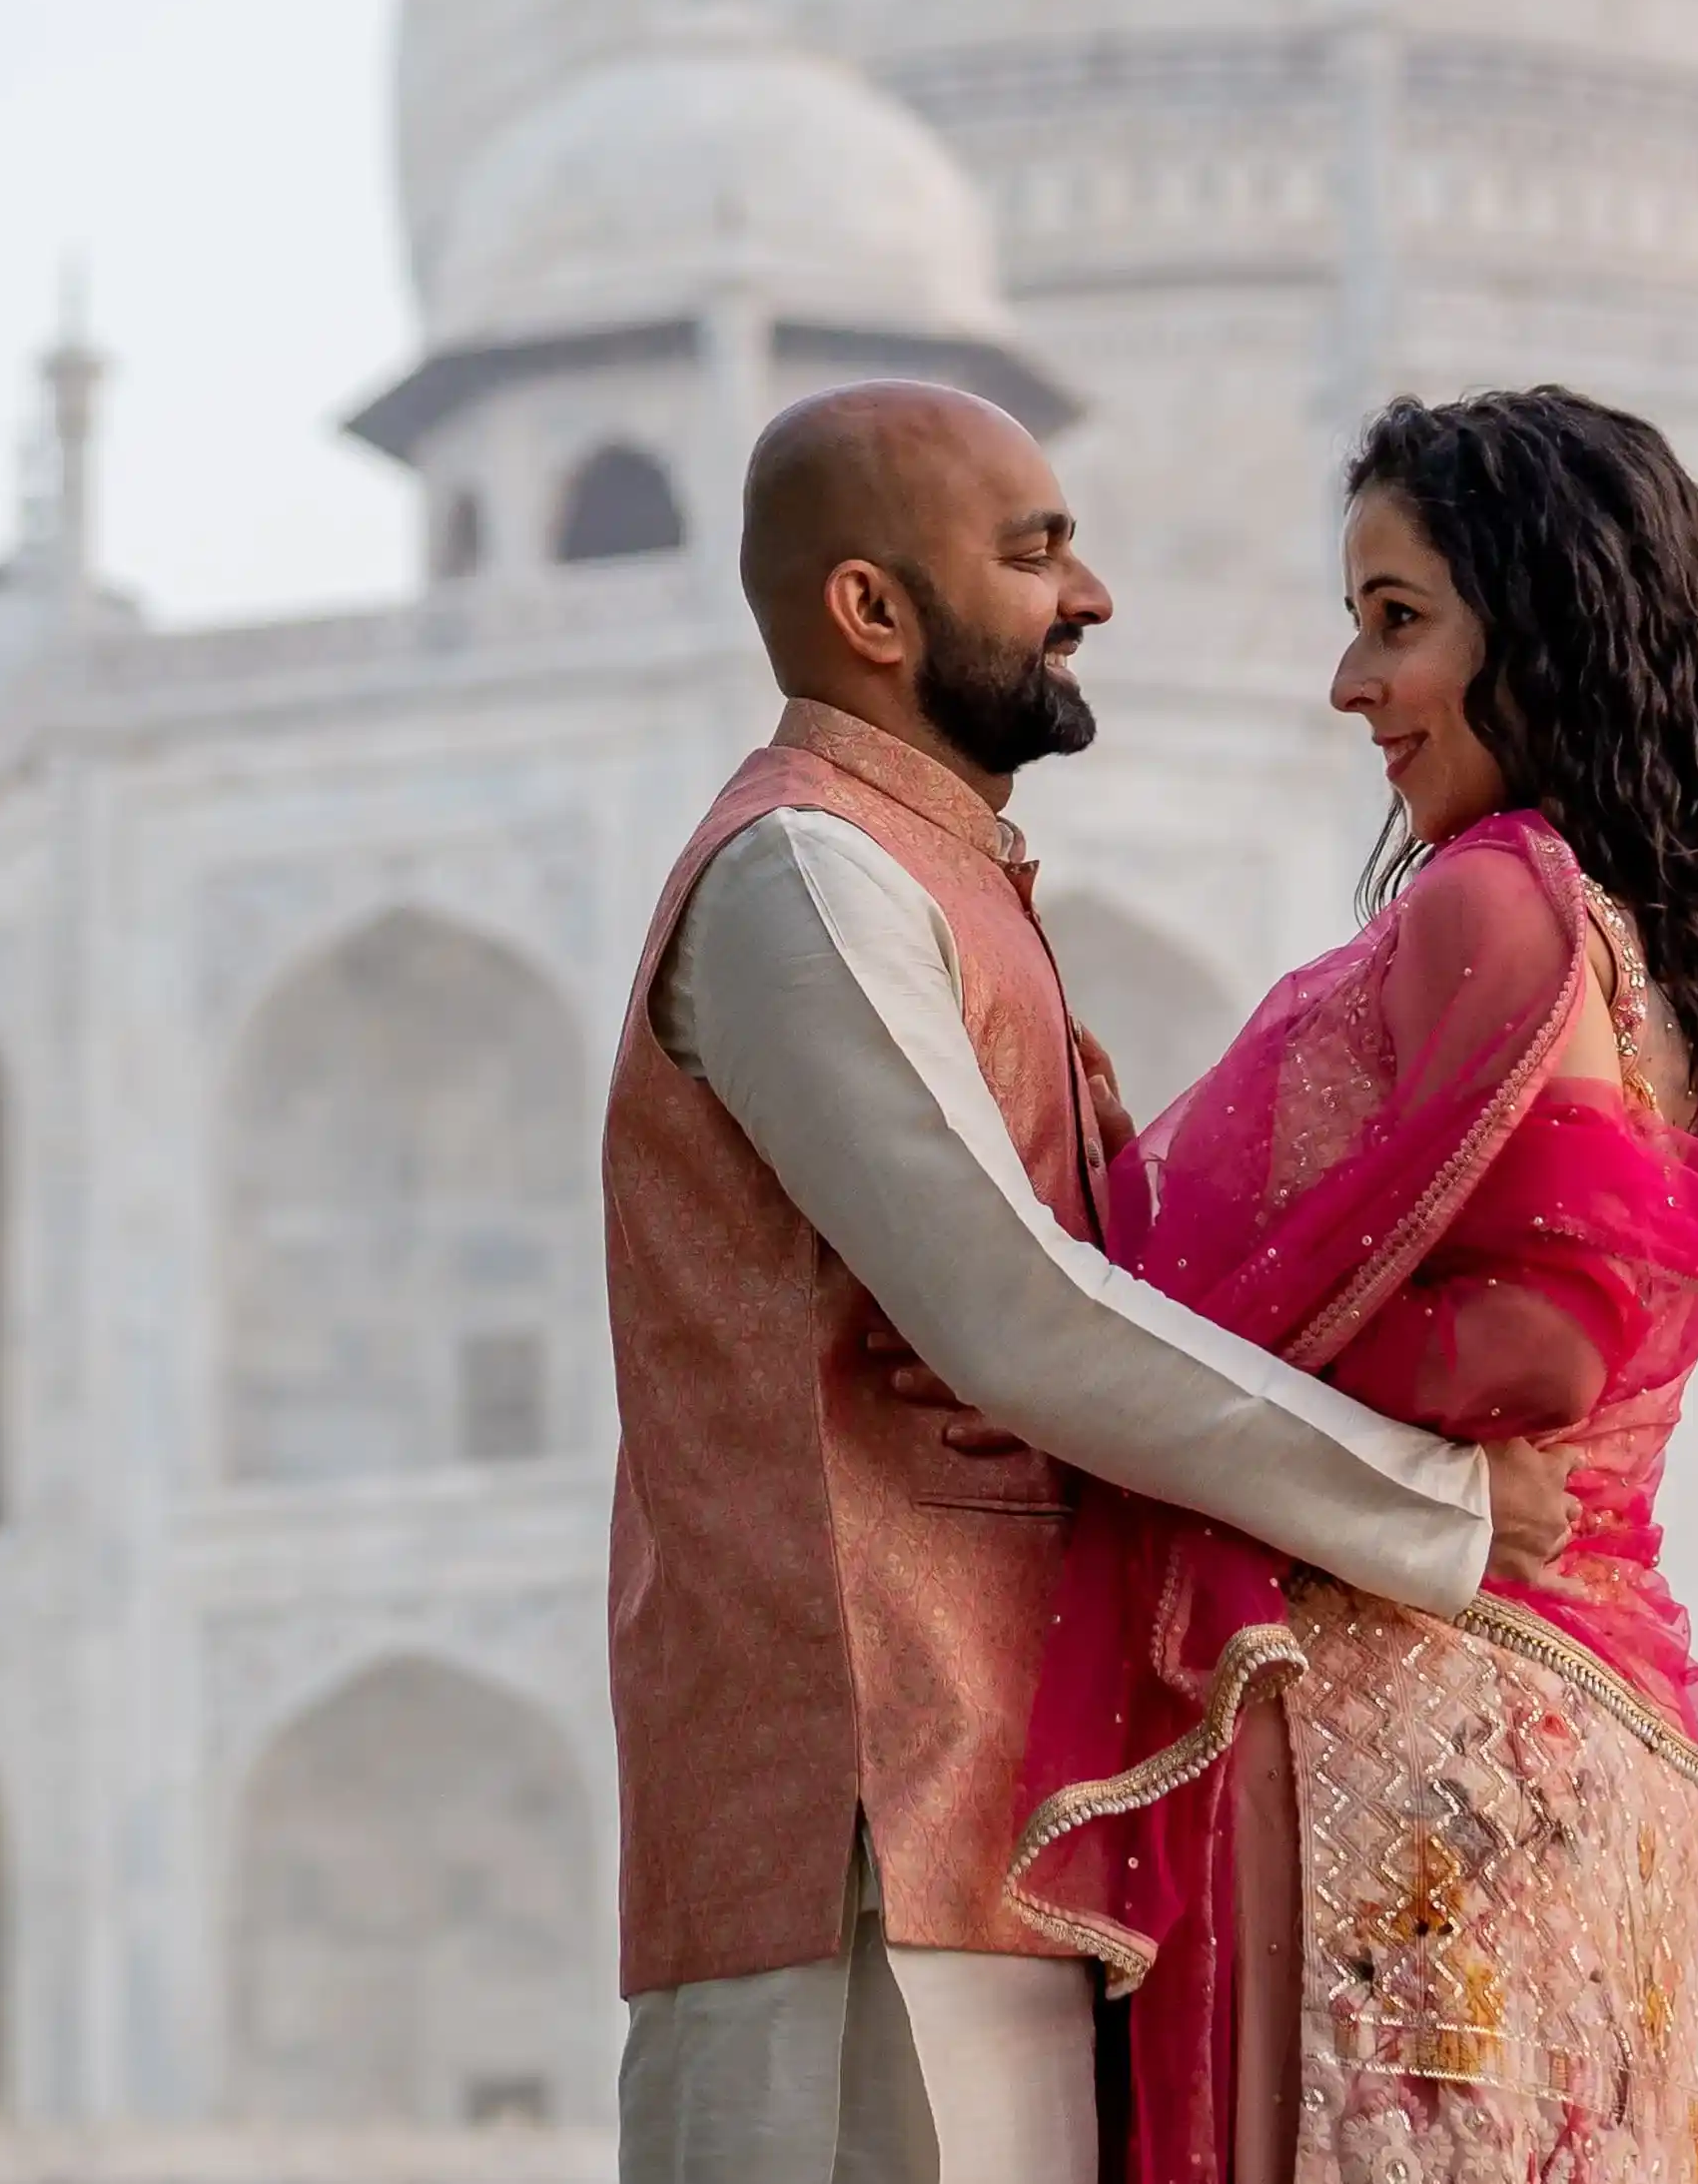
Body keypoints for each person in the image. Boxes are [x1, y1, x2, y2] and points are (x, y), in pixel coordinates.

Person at [608, 378, 1583, 2184]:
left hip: (986, 1815)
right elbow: (1015, 1315)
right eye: (1033, 550)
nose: (1090, 593)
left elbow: (1050, 1303)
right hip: (848, 1838)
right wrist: (1440, 1503)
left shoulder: (947, 884)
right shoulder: (803, 878)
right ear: (871, 609)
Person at [1011, 386, 1698, 2184]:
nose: (1351, 682)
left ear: (1543, 620)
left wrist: (1116, 1356)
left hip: (1401, 1714)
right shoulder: (1662, 953)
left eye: (1397, 619)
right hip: (1601, 1740)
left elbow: (1531, 1340)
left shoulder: (1498, 903)